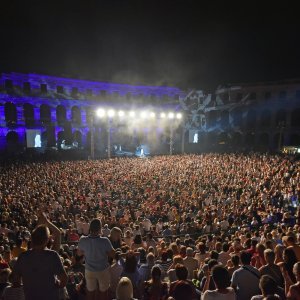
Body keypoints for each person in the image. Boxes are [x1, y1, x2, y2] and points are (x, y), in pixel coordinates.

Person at [13, 225, 68, 300]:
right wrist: (56, 286)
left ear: (32, 239)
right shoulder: (52, 256)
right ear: (47, 240)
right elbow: (64, 279)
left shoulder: (23, 256)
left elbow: (15, 280)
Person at [78, 218, 115, 300]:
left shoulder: (83, 239)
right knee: (103, 292)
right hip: (103, 270)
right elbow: (113, 254)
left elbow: (79, 253)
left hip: (89, 270)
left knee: (90, 292)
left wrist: (88, 251)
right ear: (99, 228)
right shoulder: (105, 241)